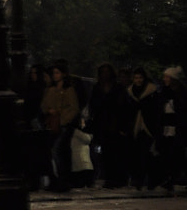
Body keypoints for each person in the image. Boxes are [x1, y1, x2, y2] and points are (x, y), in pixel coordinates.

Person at [150, 65, 187, 194]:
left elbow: (185, 111)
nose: (164, 79)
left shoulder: (181, 92)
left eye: (167, 77)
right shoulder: (165, 91)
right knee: (170, 154)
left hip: (177, 126)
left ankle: (181, 178)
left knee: (177, 154)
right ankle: (173, 178)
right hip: (167, 126)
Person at [89, 63, 132, 186]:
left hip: (115, 125)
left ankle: (118, 178)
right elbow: (94, 106)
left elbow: (123, 108)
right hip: (102, 125)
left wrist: (122, 126)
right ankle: (109, 177)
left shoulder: (118, 88)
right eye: (103, 72)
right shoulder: (97, 88)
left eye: (107, 72)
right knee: (105, 153)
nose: (105, 75)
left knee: (116, 152)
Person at [41, 62, 80, 191]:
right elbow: (44, 105)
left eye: (57, 73)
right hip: (53, 124)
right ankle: (57, 179)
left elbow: (73, 108)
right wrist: (50, 111)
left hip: (64, 124)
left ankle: (63, 179)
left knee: (58, 150)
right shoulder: (51, 90)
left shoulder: (69, 90)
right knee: (54, 151)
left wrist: (63, 119)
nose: (55, 75)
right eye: (54, 73)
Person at [127, 68, 158, 190]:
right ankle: (139, 180)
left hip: (148, 126)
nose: (138, 80)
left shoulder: (151, 91)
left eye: (140, 78)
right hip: (136, 126)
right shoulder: (130, 92)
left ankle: (149, 180)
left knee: (147, 154)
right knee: (137, 154)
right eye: (136, 78)